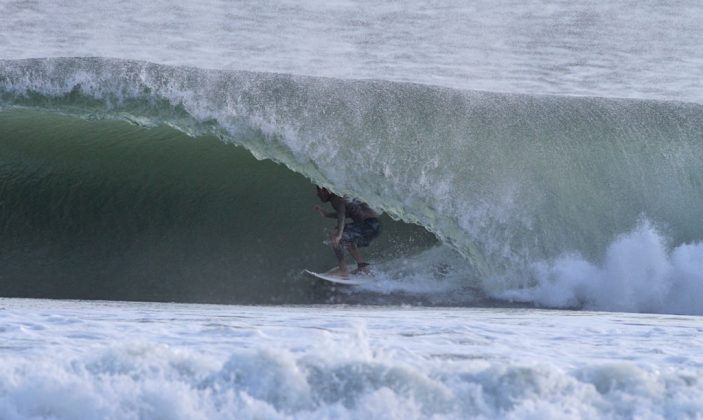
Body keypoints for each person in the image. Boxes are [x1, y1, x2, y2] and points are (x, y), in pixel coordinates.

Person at [314, 186, 382, 276]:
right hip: (375, 226)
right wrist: (326, 214)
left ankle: (343, 269)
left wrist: (338, 234)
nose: (317, 194)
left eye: (319, 192)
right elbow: (347, 213)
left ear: (325, 191)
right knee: (347, 239)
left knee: (335, 235)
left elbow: (341, 216)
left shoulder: (336, 199)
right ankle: (362, 267)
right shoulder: (341, 198)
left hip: (369, 225)